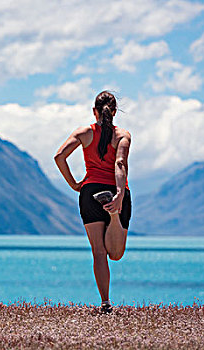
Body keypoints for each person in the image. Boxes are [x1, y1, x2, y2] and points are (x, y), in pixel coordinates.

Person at [54, 91, 131, 314]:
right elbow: (120, 164)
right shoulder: (122, 135)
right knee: (116, 254)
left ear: (94, 111)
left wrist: (74, 184)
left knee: (99, 251)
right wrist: (119, 195)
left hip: (90, 191)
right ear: (115, 112)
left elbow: (59, 157)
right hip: (115, 190)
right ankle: (114, 213)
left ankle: (105, 303)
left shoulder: (84, 133)